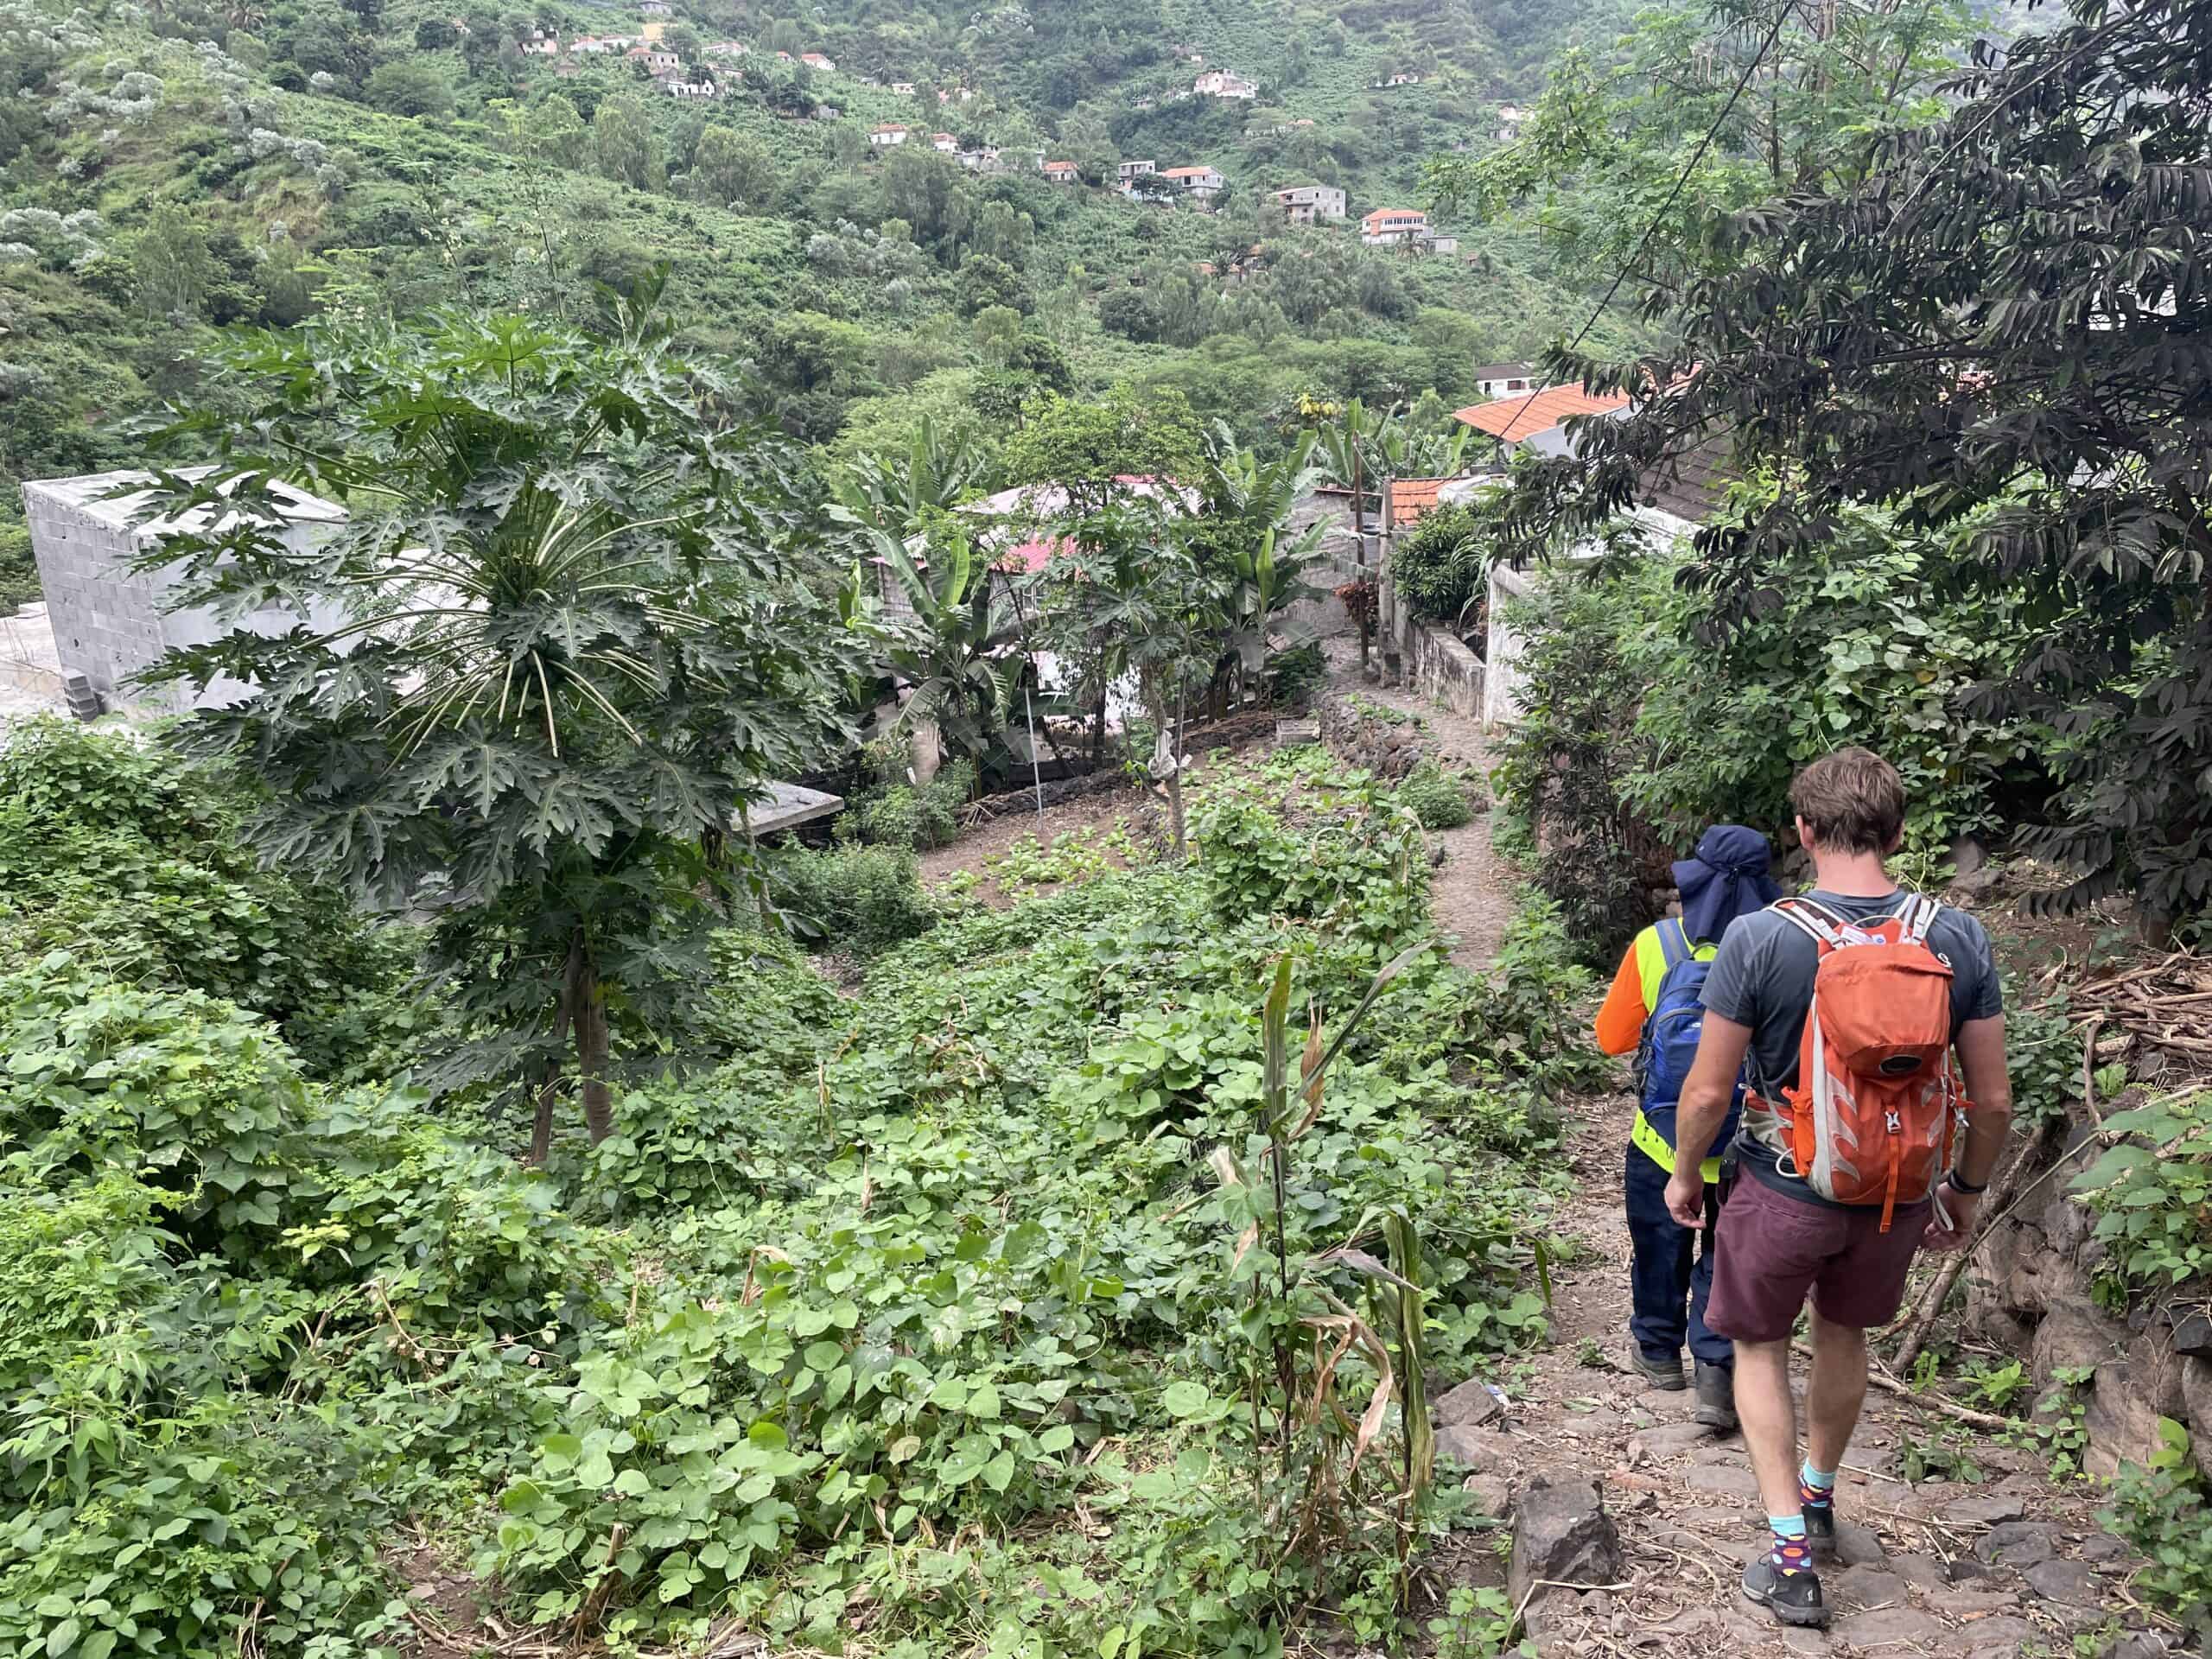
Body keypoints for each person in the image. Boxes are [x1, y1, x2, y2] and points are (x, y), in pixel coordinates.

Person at [1667, 749, 2012, 1630]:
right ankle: (1819, 1499)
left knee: (1755, 1347)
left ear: (1803, 832)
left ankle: (1788, 1558)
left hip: (1785, 1185)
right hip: (1893, 1190)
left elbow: (1707, 1090)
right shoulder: (1954, 936)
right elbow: (1994, 1096)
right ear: (1897, 833)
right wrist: (1966, 1189)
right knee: (1844, 1332)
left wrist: (1683, 1173)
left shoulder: (1762, 937)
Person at [1593, 824, 1779, 1427]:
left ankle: (1656, 1354)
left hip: (1660, 1141)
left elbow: (1610, 1038)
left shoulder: (1657, 945)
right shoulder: (1785, 949)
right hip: (1752, 1145)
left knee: (1658, 1247)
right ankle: (1716, 1373)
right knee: (1726, 1255)